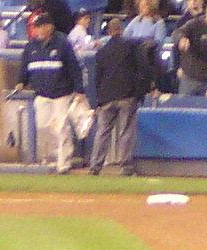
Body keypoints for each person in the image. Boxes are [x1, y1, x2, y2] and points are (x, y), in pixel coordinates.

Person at [90, 15, 158, 175]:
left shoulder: (102, 52)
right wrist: (146, 89)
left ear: (109, 32)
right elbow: (143, 68)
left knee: (102, 132)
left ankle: (95, 166)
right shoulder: (131, 46)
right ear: (121, 30)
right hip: (127, 96)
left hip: (107, 97)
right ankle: (125, 166)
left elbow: (97, 78)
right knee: (125, 131)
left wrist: (97, 101)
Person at [19, 10, 83, 173]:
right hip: (42, 94)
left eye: (41, 26)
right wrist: (21, 81)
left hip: (62, 94)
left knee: (62, 128)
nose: (38, 30)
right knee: (43, 126)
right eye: (36, 27)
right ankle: (53, 157)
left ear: (49, 27)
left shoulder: (62, 43)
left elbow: (74, 68)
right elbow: (24, 67)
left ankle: (64, 163)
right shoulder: (31, 47)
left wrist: (79, 90)